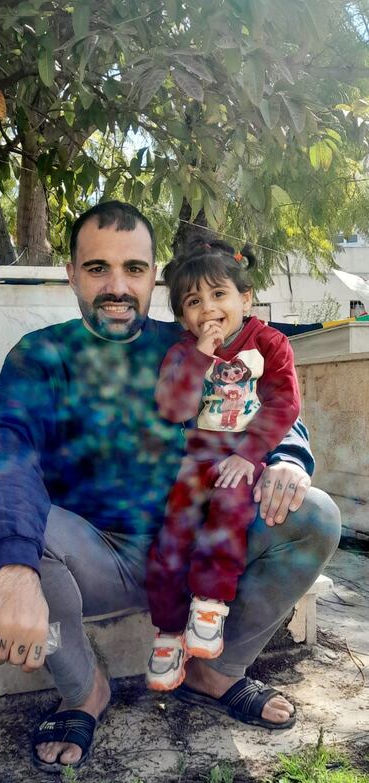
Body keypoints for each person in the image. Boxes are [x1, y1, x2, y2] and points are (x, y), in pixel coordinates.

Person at [0, 201, 341, 772]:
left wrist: (288, 457)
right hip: (97, 555)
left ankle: (215, 671)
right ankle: (84, 692)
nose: (117, 287)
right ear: (71, 273)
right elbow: (1, 447)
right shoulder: (43, 355)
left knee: (316, 516)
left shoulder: (193, 342)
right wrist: (15, 568)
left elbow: (262, 406)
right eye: (97, 269)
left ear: (153, 274)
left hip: (199, 544)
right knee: (12, 538)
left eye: (134, 270)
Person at [146, 239, 301, 693]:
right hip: (196, 459)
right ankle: (169, 633)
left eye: (219, 295)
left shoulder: (269, 343)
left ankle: (210, 607)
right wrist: (201, 355)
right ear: (181, 315)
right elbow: (173, 408)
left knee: (229, 515)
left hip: (242, 459)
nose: (208, 309)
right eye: (194, 302)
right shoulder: (181, 353)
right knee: (172, 537)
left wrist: (249, 454)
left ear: (245, 299)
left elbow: (284, 404)